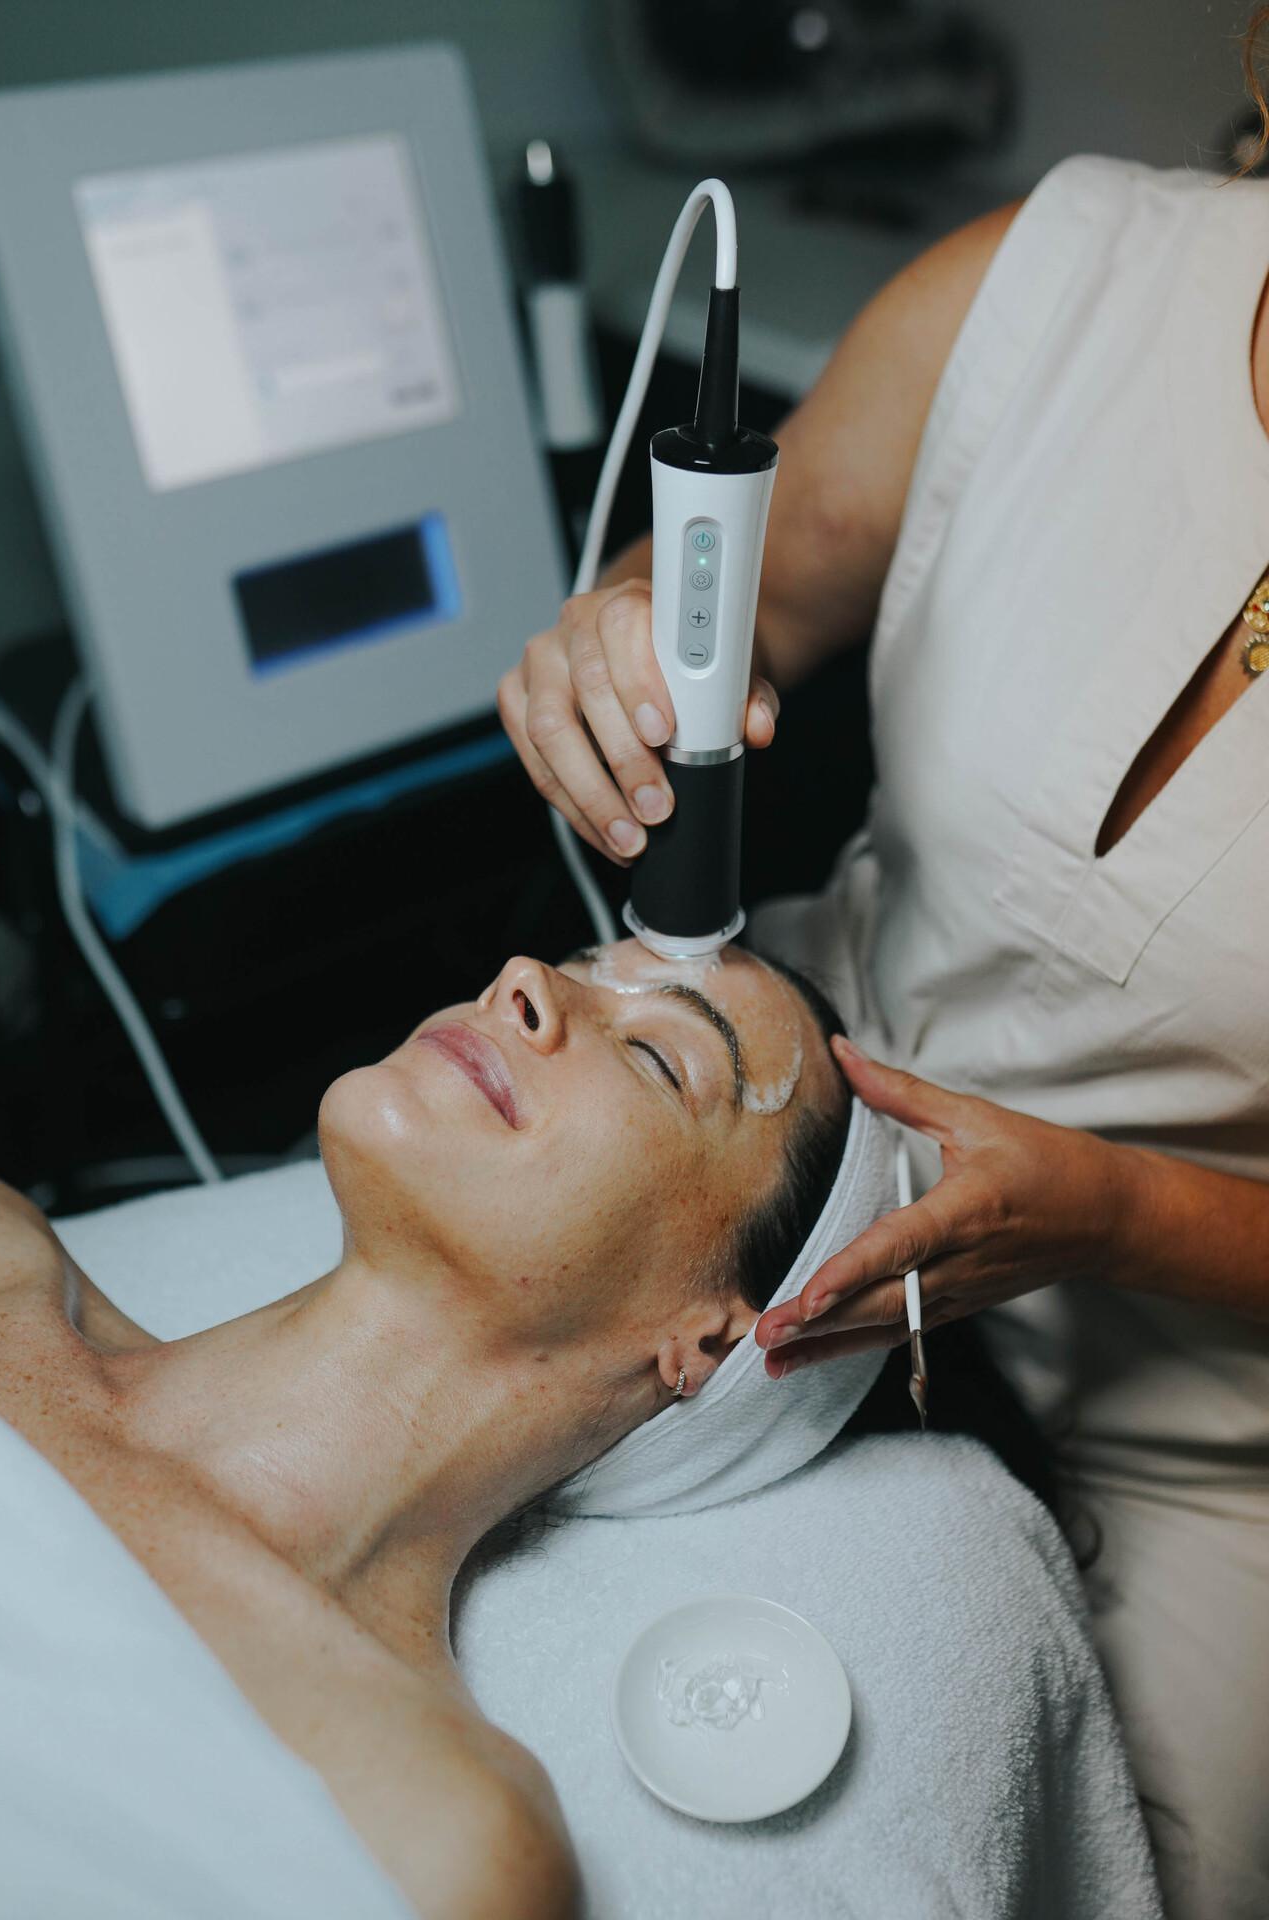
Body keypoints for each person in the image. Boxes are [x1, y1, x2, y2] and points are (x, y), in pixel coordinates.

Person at [498, 65, 1269, 1920]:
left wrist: (1122, 1217)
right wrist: (631, 635)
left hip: (1193, 1405)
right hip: (784, 1166)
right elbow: (738, 606)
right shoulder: (1055, 279)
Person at [0, 939, 856, 1920]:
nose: (525, 978)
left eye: (658, 1057)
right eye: (579, 963)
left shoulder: (434, 1838)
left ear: (704, 1339)